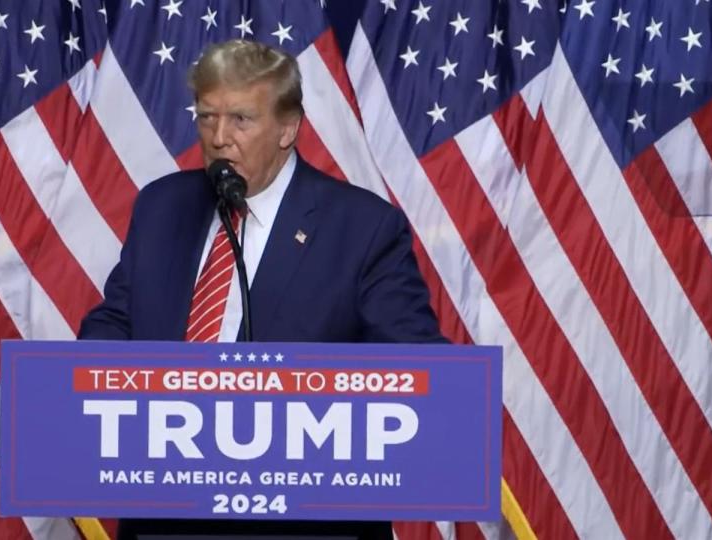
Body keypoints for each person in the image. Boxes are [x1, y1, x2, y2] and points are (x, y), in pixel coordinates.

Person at [79, 39, 445, 539]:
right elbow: (116, 321)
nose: (219, 138)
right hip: (166, 517)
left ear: (287, 129)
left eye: (241, 120)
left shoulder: (362, 229)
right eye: (207, 117)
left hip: (307, 525)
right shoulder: (163, 206)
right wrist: (85, 385)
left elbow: (415, 367)